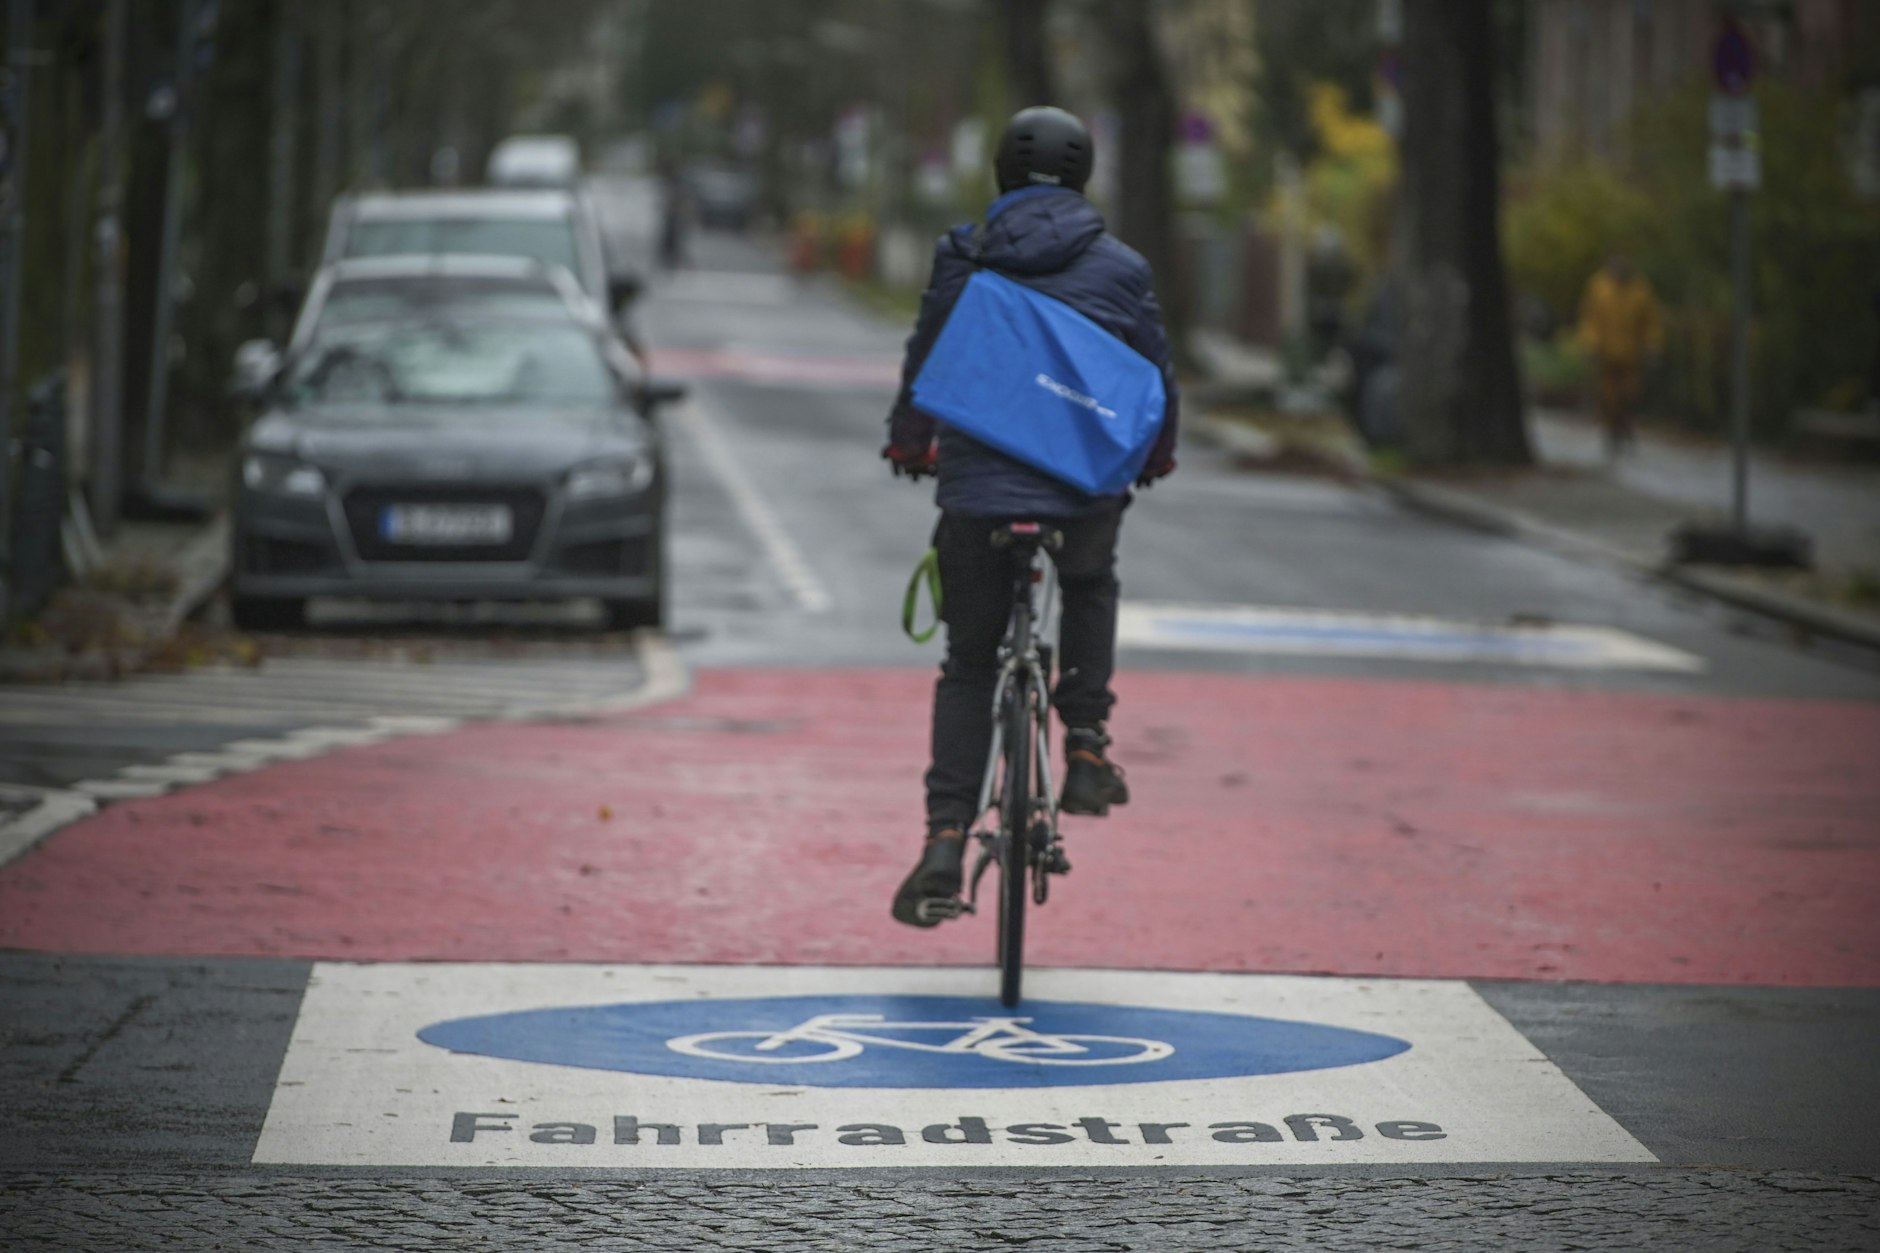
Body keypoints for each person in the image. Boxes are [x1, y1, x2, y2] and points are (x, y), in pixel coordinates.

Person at [880, 106, 1179, 928]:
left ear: (1001, 175)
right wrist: (1154, 458)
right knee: (1089, 580)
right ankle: (1084, 747)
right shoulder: (1122, 267)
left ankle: (944, 841)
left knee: (970, 666)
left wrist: (910, 443)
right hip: (1082, 488)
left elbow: (928, 362)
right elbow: (1156, 377)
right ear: (1084, 177)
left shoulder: (965, 252)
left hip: (977, 491)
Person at [1576, 253, 1664, 458]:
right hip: (1607, 355)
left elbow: (1650, 321)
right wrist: (1591, 345)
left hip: (1632, 355)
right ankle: (1612, 431)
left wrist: (1653, 345)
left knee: (1631, 394)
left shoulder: (1640, 290)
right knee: (1609, 397)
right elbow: (1590, 319)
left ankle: (1626, 425)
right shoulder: (1598, 287)